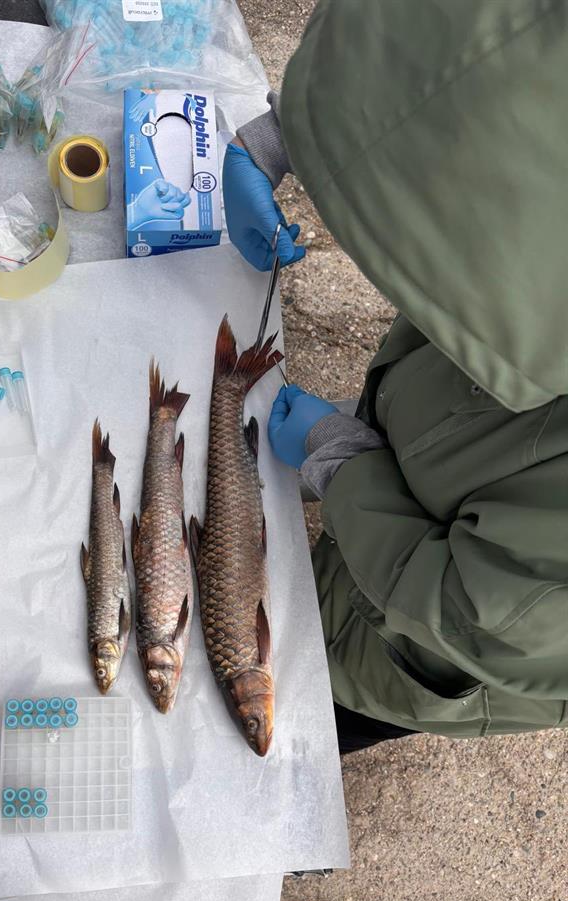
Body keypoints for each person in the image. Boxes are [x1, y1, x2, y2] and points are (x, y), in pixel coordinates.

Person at [222, 0, 568, 755]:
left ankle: (325, 720)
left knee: (321, 698)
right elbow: (472, 45)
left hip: (425, 647)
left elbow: (467, 615)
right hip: (444, 448)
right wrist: (296, 131)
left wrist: (345, 465)